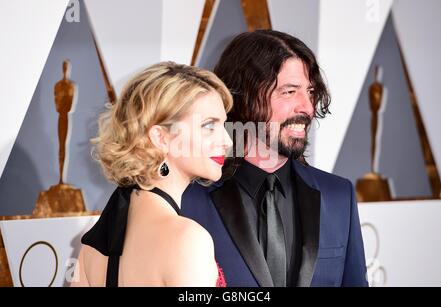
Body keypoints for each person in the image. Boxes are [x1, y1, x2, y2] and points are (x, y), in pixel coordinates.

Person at [182, 30, 368, 287]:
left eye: (310, 92)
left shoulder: (338, 195)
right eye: (289, 92)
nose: (307, 107)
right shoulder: (186, 199)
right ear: (245, 97)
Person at [71, 62, 233, 287]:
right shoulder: (187, 240)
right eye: (209, 126)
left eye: (223, 125)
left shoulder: (92, 249)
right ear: (161, 137)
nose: (227, 141)